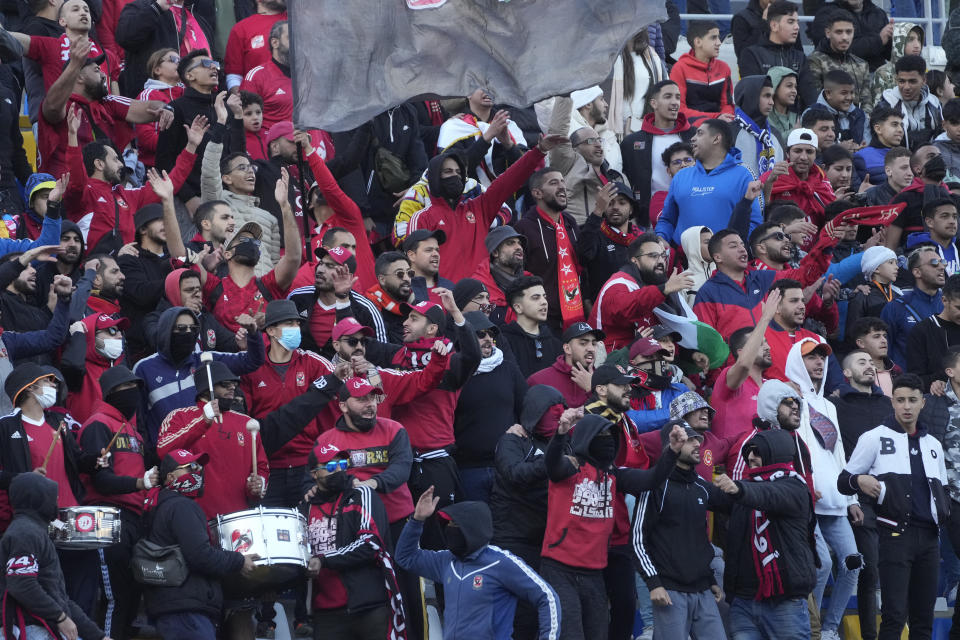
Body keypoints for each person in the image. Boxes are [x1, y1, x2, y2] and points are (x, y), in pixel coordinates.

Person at [540, 415, 685, 640]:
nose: (607, 441)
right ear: (587, 438)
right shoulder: (570, 465)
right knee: (570, 635)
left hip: (594, 572)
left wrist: (672, 452)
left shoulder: (614, 474)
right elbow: (552, 466)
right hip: (560, 569)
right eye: (601, 436)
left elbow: (651, 479)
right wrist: (560, 435)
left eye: (611, 436)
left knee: (598, 634)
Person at [839, 373, 947, 640]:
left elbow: (942, 491)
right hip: (894, 535)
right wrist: (859, 480)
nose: (906, 406)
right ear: (892, 402)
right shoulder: (874, 437)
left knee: (924, 618)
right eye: (900, 400)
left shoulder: (933, 444)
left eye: (912, 400)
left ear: (923, 402)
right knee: (894, 616)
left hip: (930, 538)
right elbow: (843, 481)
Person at [397, 487, 561, 640]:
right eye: (448, 525)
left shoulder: (500, 562)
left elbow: (547, 597)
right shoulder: (446, 560)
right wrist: (417, 520)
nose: (449, 530)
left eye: (455, 525)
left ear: (472, 529)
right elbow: (405, 557)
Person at [786, 338, 861, 640]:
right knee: (822, 564)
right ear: (795, 362)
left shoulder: (829, 404)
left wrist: (852, 496)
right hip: (807, 498)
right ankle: (810, 628)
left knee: (852, 563)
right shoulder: (786, 398)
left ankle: (829, 629)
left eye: (821, 357)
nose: (818, 362)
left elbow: (839, 453)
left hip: (836, 497)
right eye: (810, 358)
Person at [407, 138, 563, 282]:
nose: (455, 176)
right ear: (435, 178)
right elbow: (415, 265)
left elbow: (509, 180)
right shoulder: (422, 217)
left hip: (483, 298)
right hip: (445, 299)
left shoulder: (479, 208)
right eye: (448, 172)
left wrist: (538, 151)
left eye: (459, 173)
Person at [141, 449, 256, 640]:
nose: (198, 472)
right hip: (185, 610)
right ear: (170, 477)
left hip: (172, 607)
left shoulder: (158, 504)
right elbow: (200, 555)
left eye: (199, 467)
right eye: (190, 467)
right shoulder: (181, 506)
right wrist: (239, 561)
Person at [714, 429, 818, 640]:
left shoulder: (795, 486)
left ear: (776, 453)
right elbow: (706, 494)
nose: (750, 457)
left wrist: (740, 490)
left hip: (784, 603)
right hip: (742, 603)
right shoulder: (744, 489)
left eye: (758, 452)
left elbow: (770, 495)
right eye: (749, 452)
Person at [77, 366, 157, 640]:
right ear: (111, 393)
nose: (133, 393)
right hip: (107, 517)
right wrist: (139, 484)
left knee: (131, 597)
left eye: (135, 387)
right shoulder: (99, 424)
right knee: (115, 598)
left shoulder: (132, 430)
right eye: (126, 389)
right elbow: (100, 480)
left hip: (133, 518)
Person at [62, 104, 200, 253]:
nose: (121, 164)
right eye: (115, 159)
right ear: (99, 164)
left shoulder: (127, 195)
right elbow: (76, 180)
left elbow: (171, 183)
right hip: (95, 269)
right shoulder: (84, 194)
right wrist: (72, 136)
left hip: (128, 268)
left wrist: (191, 147)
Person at [634, 421, 727, 640]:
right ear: (672, 443)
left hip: (703, 590)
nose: (697, 444)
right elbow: (638, 540)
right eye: (689, 439)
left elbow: (698, 539)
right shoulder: (655, 484)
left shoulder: (701, 486)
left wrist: (709, 578)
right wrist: (654, 583)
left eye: (697, 439)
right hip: (669, 591)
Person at [491, 385, 571, 640]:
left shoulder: (565, 444)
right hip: (513, 536)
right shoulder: (513, 439)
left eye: (561, 415)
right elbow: (514, 474)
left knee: (548, 608)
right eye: (552, 414)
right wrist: (551, 461)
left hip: (550, 540)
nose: (557, 420)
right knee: (519, 611)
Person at [37, 36, 172, 180]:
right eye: (96, 70)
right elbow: (51, 108)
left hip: (103, 189)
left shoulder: (108, 102)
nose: (103, 74)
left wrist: (166, 108)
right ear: (79, 77)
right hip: (65, 189)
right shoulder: (64, 104)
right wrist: (74, 65)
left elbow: (148, 107)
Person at [304, 444, 403, 640]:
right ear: (314, 474)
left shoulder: (361, 495)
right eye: (331, 467)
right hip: (325, 612)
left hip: (369, 607)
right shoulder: (305, 507)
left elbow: (371, 543)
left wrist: (324, 560)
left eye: (342, 464)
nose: (339, 470)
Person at [133, 306, 263, 447]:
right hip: (169, 455)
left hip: (207, 452)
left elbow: (252, 361)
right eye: (182, 328)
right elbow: (139, 419)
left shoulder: (206, 360)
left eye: (193, 328)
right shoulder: (143, 368)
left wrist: (253, 332)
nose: (188, 332)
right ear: (166, 330)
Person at [0, 474, 110, 640]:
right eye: (51, 495)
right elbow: (22, 584)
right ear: (37, 499)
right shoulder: (24, 533)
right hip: (33, 629)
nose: (57, 499)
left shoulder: (35, 532)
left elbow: (62, 600)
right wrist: (60, 617)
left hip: (44, 626)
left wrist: (99, 637)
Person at [833, 349, 892, 640]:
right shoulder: (837, 405)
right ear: (846, 373)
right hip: (858, 496)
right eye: (861, 362)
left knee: (897, 571)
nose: (869, 366)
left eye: (871, 362)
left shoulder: (890, 405)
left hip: (893, 496)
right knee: (869, 572)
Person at [693, 227, 837, 341]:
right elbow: (708, 341)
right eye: (733, 246)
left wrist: (827, 244)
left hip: (771, 362)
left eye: (742, 245)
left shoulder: (764, 278)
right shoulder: (708, 292)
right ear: (717, 257)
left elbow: (804, 275)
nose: (742, 249)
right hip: (734, 371)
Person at [200, 105, 282, 276]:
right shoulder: (218, 201)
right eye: (242, 168)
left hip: (264, 291)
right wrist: (220, 124)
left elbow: (275, 265)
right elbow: (209, 174)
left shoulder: (270, 218)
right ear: (226, 178)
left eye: (251, 167)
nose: (250, 171)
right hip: (232, 286)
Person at [156, 53, 245, 209]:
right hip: (193, 200)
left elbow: (237, 154)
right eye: (205, 63)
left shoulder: (224, 107)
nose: (213, 67)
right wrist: (188, 198)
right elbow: (164, 162)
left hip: (229, 197)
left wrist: (237, 118)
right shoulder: (176, 108)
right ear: (189, 75)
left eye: (214, 63)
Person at [453, 312, 525, 502]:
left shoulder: (508, 369)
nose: (488, 339)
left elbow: (526, 408)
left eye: (491, 334)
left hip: (506, 466)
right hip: (467, 470)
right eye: (480, 334)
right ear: (464, 338)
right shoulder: (454, 373)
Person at [655, 119, 762, 246]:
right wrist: (661, 238)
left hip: (727, 260)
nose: (693, 138)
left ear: (716, 139)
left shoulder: (744, 174)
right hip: (684, 260)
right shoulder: (681, 176)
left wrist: (735, 250)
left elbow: (755, 223)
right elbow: (667, 220)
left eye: (699, 133)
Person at [589, 232, 694, 351]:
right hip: (611, 362)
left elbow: (665, 333)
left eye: (663, 256)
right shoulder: (619, 284)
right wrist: (664, 289)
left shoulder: (654, 285)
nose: (660, 261)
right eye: (653, 256)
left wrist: (690, 355)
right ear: (635, 261)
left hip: (647, 360)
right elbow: (627, 308)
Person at [619, 80, 694, 226]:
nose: (674, 102)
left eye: (678, 97)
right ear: (653, 103)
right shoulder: (631, 142)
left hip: (692, 209)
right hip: (648, 218)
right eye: (668, 97)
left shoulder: (694, 136)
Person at [544, 96, 625, 225]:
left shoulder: (616, 176)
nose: (598, 145)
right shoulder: (567, 166)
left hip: (609, 237)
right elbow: (557, 132)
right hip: (576, 232)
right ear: (575, 148)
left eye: (599, 140)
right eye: (590, 141)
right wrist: (565, 95)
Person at [711, 295, 777, 442]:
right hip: (734, 459)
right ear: (741, 352)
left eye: (766, 343)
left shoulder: (771, 387)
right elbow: (743, 365)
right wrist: (765, 318)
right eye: (760, 344)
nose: (767, 347)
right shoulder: (727, 378)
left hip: (766, 459)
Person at [114, 0, 211, 98]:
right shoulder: (142, 7)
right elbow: (124, 37)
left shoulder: (199, 19)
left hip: (197, 101)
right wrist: (156, 8)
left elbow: (213, 61)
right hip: (154, 102)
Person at [738, 1, 817, 109]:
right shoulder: (751, 55)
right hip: (764, 119)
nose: (797, 27)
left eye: (797, 22)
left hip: (796, 120)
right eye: (790, 22)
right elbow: (753, 96)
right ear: (774, 26)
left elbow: (810, 96)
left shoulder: (799, 57)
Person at [881, 245, 946, 368]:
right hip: (910, 383)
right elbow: (884, 353)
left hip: (948, 382)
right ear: (917, 272)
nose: (941, 267)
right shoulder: (895, 308)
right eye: (934, 263)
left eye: (943, 262)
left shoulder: (952, 305)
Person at [577, 183, 644, 299]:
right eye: (610, 203)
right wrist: (598, 210)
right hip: (605, 308)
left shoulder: (642, 239)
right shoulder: (594, 233)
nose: (615, 207)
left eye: (622, 202)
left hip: (638, 305)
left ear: (631, 209)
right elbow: (582, 255)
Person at [762, 128, 836, 229]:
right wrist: (769, 183)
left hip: (818, 242)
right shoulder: (772, 177)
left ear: (815, 155)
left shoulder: (822, 181)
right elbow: (760, 214)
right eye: (797, 151)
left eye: (809, 152)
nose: (803, 157)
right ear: (787, 153)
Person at [499, 275, 563, 378]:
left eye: (544, 296)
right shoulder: (503, 343)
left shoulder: (556, 344)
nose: (544, 302)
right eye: (536, 298)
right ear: (518, 307)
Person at [668, 21, 734, 121]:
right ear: (698, 42)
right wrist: (714, 118)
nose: (719, 43)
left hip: (719, 126)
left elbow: (728, 105)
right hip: (690, 127)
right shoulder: (679, 68)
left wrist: (723, 120)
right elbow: (679, 110)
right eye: (713, 38)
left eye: (719, 37)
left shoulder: (724, 68)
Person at [875, 54, 943, 150]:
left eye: (912, 81)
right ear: (896, 79)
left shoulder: (935, 104)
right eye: (902, 81)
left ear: (924, 80)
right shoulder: (886, 105)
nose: (906, 87)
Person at [807, 11, 872, 112]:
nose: (844, 37)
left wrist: (862, 123)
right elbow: (815, 100)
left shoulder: (861, 64)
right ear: (828, 33)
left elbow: (866, 102)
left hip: (857, 121)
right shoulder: (815, 61)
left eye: (849, 32)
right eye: (839, 32)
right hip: (826, 120)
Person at [527, 321, 602, 408]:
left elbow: (613, 418)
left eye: (594, 344)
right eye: (583, 343)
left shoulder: (606, 380)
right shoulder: (539, 381)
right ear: (567, 348)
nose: (591, 349)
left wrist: (591, 389)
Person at [908, 274, 960, 392]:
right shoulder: (922, 331)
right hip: (940, 405)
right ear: (944, 300)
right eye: (959, 308)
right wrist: (936, 382)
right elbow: (915, 379)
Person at [224, 0, 287, 90]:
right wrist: (241, 100)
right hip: (260, 100)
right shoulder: (241, 29)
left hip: (302, 99)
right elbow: (234, 75)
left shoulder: (298, 21)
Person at [238, 20, 290, 129]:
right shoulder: (256, 76)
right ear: (275, 43)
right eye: (290, 38)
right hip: (273, 142)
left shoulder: (307, 75)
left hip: (310, 141)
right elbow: (244, 121)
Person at [733, 75, 784, 178]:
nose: (772, 102)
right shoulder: (729, 132)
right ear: (751, 96)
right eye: (766, 96)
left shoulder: (775, 135)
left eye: (772, 97)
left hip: (771, 193)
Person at [869, 22, 924, 108]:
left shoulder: (923, 71)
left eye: (919, 39)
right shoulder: (883, 73)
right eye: (910, 39)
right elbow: (879, 109)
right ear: (899, 42)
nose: (917, 45)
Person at [810, 70, 869, 147]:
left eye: (852, 92)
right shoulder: (811, 114)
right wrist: (838, 149)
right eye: (844, 93)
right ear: (828, 94)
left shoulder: (860, 115)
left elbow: (867, 143)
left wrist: (862, 149)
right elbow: (810, 147)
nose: (849, 97)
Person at [366, 251, 414, 344]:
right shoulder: (369, 310)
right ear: (382, 280)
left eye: (409, 273)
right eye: (400, 274)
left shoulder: (418, 302)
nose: (407, 278)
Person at [647, 141, 696, 227]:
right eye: (676, 162)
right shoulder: (659, 197)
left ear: (696, 164)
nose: (683, 165)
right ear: (668, 171)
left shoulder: (707, 190)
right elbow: (667, 221)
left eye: (687, 160)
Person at [855, 105, 905, 186]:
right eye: (894, 124)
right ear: (878, 129)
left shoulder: (906, 155)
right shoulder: (862, 157)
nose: (900, 130)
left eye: (901, 125)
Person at [908, 198, 959, 275]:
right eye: (945, 216)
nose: (952, 221)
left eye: (954, 217)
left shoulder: (958, 246)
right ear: (929, 222)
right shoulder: (915, 253)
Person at [405, 229, 454, 304]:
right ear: (412, 256)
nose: (436, 254)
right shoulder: (403, 288)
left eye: (437, 250)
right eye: (428, 250)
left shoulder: (450, 287)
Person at [768, 67, 800, 138]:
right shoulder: (764, 118)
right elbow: (770, 142)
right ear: (775, 87)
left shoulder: (798, 117)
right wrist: (795, 132)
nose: (794, 91)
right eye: (789, 86)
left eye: (795, 87)